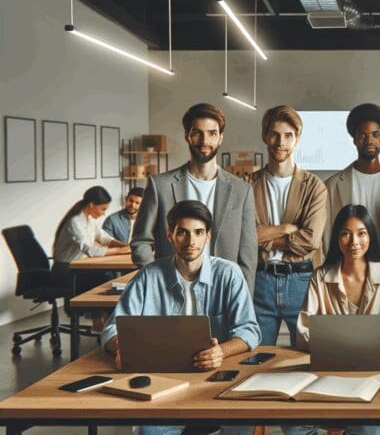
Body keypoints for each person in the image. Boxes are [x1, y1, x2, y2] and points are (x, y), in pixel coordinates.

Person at [102, 200, 260, 435]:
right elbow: (112, 328)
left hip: (216, 382)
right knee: (149, 431)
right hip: (162, 383)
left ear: (208, 236)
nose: (191, 241)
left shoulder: (229, 273)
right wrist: (122, 347)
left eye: (198, 233)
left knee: (241, 425)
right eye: (182, 232)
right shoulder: (149, 276)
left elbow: (249, 330)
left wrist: (221, 351)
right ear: (169, 235)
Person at [291, 204, 380, 435]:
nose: (353, 241)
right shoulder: (321, 277)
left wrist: (344, 348)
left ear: (371, 236)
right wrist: (360, 349)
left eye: (361, 233)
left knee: (366, 428)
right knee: (294, 423)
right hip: (327, 374)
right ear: (337, 238)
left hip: (374, 376)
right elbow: (303, 331)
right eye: (346, 233)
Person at [131, 102, 258, 291]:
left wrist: (242, 297)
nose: (204, 140)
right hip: (171, 288)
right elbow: (140, 242)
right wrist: (158, 278)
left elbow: (248, 254)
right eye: (197, 132)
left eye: (212, 133)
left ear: (221, 138)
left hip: (222, 291)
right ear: (187, 136)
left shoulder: (242, 191)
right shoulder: (160, 186)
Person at [252, 105, 327, 347]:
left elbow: (311, 240)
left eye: (288, 136)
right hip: (259, 280)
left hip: (302, 281)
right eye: (274, 134)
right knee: (255, 358)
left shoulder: (314, 186)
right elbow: (244, 237)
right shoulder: (247, 185)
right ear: (265, 136)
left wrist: (266, 237)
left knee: (307, 357)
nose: (280, 142)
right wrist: (285, 229)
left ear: (297, 139)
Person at [325, 103, 380, 268]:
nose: (369, 140)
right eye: (363, 135)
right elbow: (327, 235)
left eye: (375, 134)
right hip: (346, 269)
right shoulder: (332, 185)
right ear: (354, 139)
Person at [51, 186, 130, 290]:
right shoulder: (75, 222)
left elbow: (104, 238)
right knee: (106, 281)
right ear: (92, 204)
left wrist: (127, 247)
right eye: (103, 209)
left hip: (79, 268)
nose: (104, 214)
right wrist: (119, 251)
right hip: (65, 271)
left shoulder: (88, 219)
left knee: (108, 279)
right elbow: (90, 250)